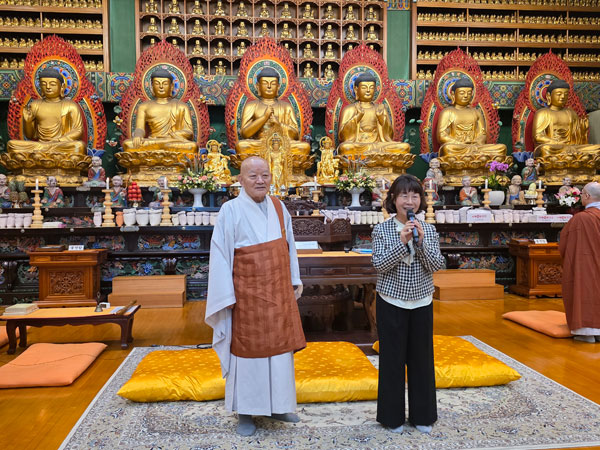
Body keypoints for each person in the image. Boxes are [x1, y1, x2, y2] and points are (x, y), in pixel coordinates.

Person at [205, 156, 306, 436]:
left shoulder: (279, 207)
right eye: (253, 176)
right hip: (246, 295)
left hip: (278, 290)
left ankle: (279, 406)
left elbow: (289, 247)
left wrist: (294, 279)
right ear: (240, 180)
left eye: (265, 175)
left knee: (280, 351)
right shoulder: (230, 210)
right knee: (248, 353)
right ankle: (246, 412)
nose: (260, 181)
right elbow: (221, 255)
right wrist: (226, 296)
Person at [371, 174, 445, 434]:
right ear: (393, 199)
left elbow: (436, 265)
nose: (409, 201)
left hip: (422, 301)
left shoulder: (429, 230)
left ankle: (423, 415)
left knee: (422, 359)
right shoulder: (382, 230)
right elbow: (379, 265)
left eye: (414, 196)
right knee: (392, 360)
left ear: (421, 200)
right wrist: (402, 243)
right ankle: (391, 418)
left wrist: (420, 242)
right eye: (404, 196)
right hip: (391, 300)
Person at [7, 68, 86, 155]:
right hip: (39, 145)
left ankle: (42, 153)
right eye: (44, 84)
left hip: (60, 144)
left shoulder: (70, 105)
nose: (48, 87)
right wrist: (28, 122)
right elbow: (30, 136)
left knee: (79, 146)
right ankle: (45, 152)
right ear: (40, 86)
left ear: (62, 87)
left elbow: (78, 131)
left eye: (52, 84)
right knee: (11, 144)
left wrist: (58, 140)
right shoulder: (35, 105)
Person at [559, 182, 600, 343]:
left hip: (586, 263)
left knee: (585, 288)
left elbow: (565, 243)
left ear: (587, 196)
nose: (581, 196)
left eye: (582, 194)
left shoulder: (582, 218)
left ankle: (586, 331)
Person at [122, 68, 197, 153]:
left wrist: (171, 136)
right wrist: (138, 135)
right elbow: (140, 128)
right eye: (157, 83)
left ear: (172, 86)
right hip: (153, 141)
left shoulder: (181, 106)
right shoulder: (144, 106)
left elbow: (189, 132)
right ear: (152, 86)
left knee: (192, 146)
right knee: (127, 144)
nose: (161, 87)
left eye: (165, 84)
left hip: (172, 141)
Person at [338, 72, 410, 157]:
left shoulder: (380, 108)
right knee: (345, 148)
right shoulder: (349, 109)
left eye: (371, 87)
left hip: (378, 145)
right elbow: (342, 136)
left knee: (405, 147)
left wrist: (381, 119)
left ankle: (372, 157)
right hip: (358, 146)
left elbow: (389, 135)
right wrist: (357, 117)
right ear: (356, 89)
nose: (368, 90)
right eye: (364, 87)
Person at [436, 77, 506, 158]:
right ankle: (475, 156)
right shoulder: (447, 112)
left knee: (501, 148)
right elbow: (441, 136)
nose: (466, 96)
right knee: (448, 148)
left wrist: (476, 142)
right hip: (457, 147)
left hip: (475, 147)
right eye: (462, 93)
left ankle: (474, 155)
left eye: (469, 93)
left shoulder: (476, 112)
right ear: (453, 94)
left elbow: (482, 134)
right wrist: (460, 143)